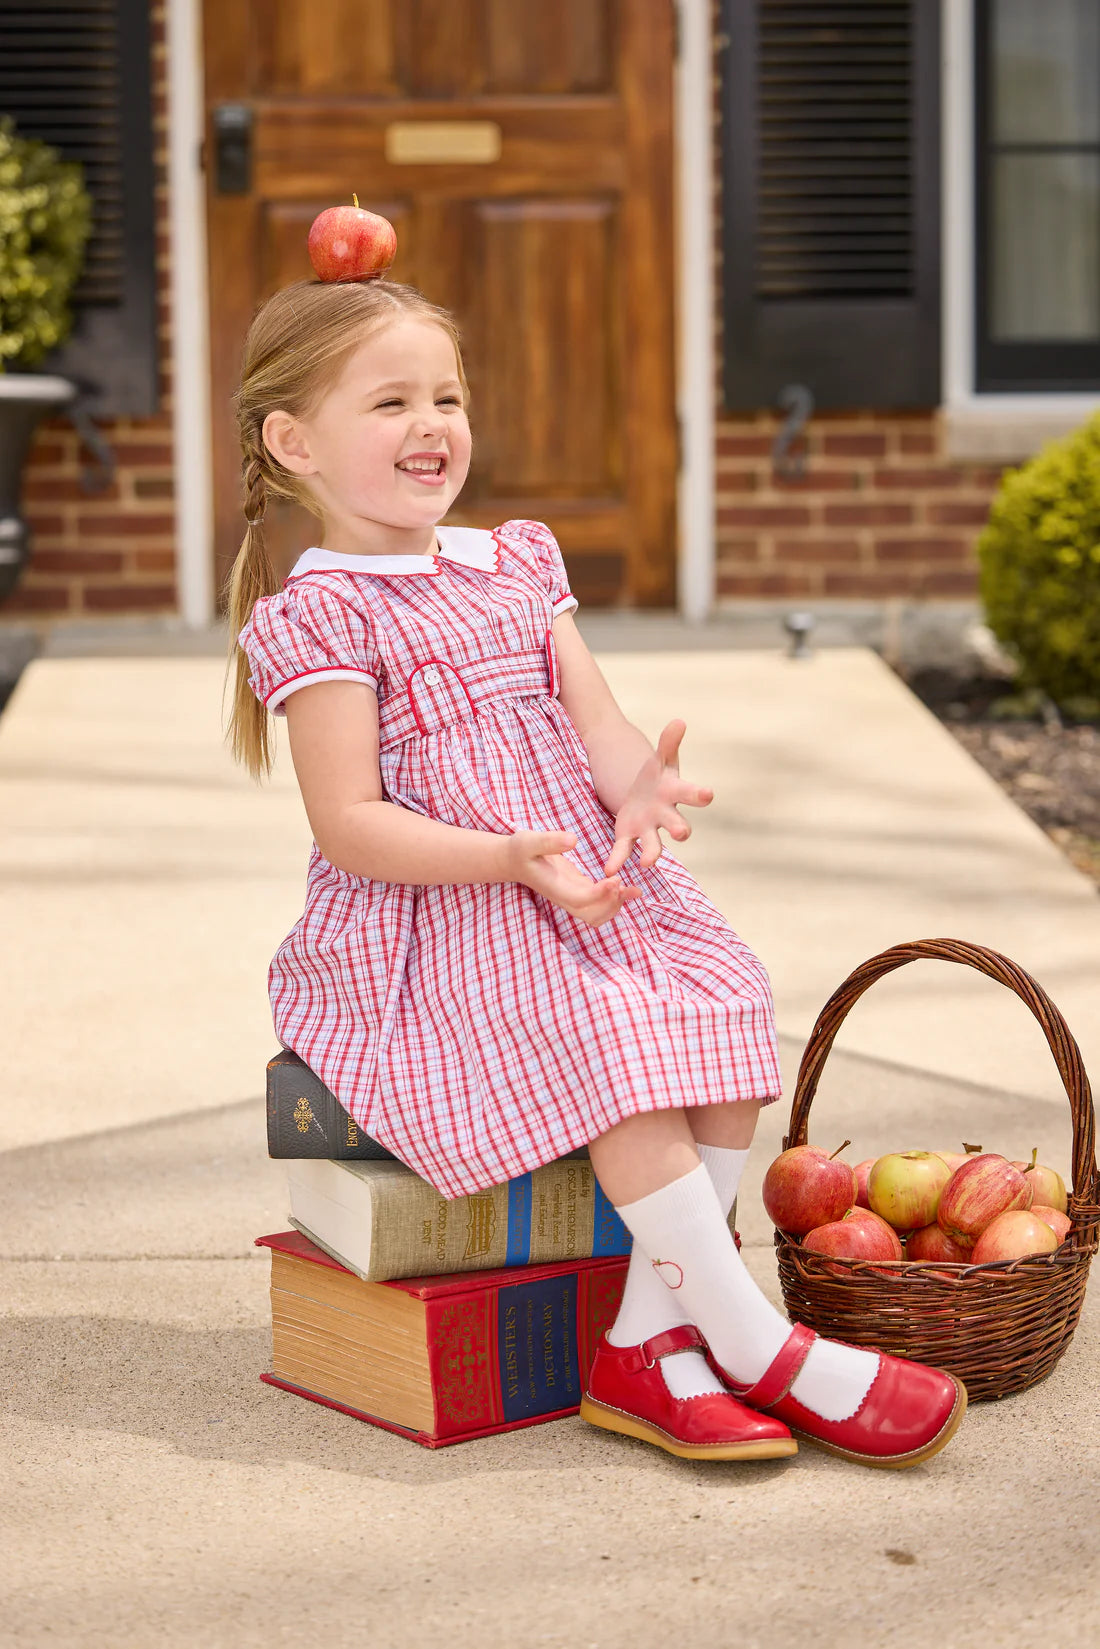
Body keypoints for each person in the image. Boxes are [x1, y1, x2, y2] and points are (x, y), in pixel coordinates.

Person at [224, 272, 966, 1469]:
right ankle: (754, 1342)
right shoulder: (320, 613)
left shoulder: (511, 560)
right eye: (390, 403)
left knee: (720, 993)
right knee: (615, 1039)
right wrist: (504, 855)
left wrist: (633, 785)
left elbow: (597, 722)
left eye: (447, 396)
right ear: (293, 442)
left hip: (580, 880)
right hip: (443, 917)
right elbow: (350, 822)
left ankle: (642, 1344)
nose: (431, 424)